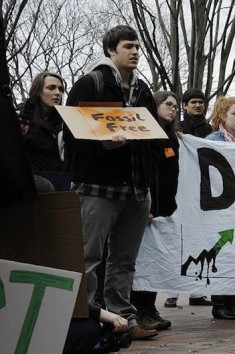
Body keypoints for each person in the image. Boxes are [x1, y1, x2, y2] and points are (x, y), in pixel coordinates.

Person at [63, 25, 158, 340]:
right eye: (128, 46)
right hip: (97, 190)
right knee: (89, 257)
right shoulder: (91, 84)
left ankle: (123, 318)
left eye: (137, 47)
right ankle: (86, 320)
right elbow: (71, 137)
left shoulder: (143, 91)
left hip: (136, 191)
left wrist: (148, 188)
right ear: (110, 50)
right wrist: (102, 145)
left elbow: (149, 142)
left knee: (124, 260)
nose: (135, 52)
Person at [130, 91, 181, 331]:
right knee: (142, 262)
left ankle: (150, 308)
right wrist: (147, 205)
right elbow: (146, 173)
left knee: (156, 261)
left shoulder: (172, 137)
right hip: (147, 208)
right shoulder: (145, 135)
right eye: (167, 104)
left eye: (175, 105)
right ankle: (139, 310)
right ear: (155, 105)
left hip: (165, 209)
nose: (172, 108)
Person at [165, 87, 213, 308]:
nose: (197, 105)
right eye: (193, 102)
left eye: (200, 102)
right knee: (177, 241)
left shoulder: (211, 131)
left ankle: (196, 292)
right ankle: (172, 292)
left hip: (203, 193)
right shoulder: (177, 129)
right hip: (179, 190)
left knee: (199, 241)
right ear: (184, 105)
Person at [202, 96, 235, 319]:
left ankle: (230, 300)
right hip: (219, 206)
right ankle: (219, 302)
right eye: (234, 114)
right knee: (220, 251)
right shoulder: (213, 139)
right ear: (222, 116)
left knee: (234, 254)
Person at [18, 72, 66, 177]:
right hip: (28, 184)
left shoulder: (64, 123)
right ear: (38, 91)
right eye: (51, 88)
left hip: (60, 185)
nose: (58, 93)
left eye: (60, 89)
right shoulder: (21, 119)